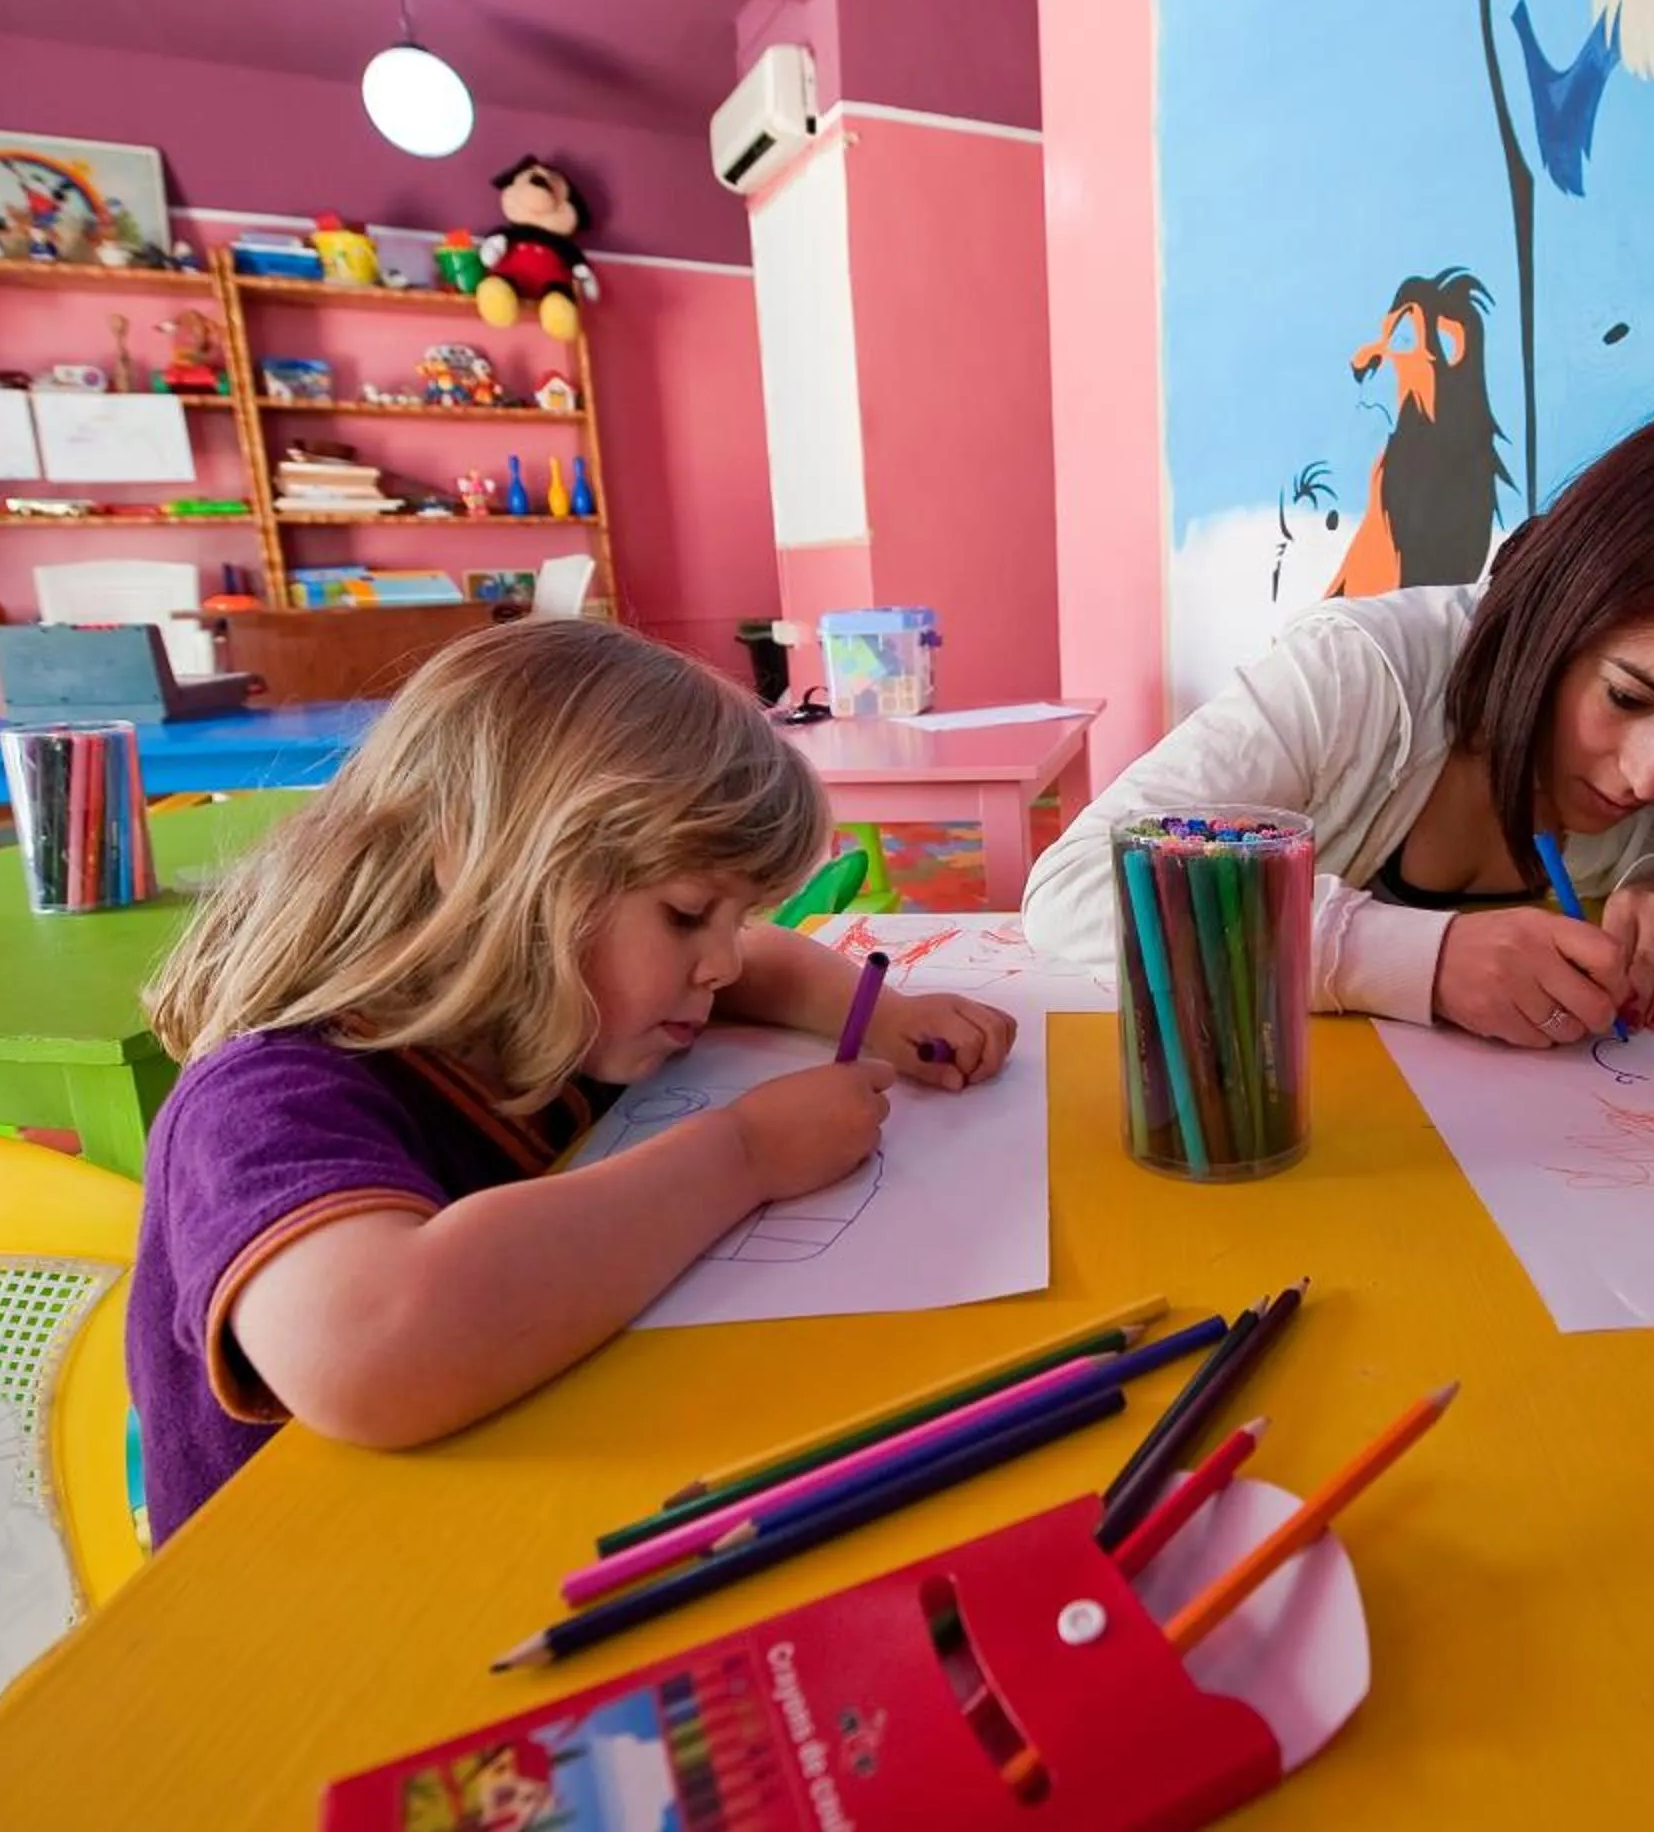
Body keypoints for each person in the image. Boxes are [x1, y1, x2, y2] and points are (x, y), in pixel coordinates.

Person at [128, 621, 1016, 1540]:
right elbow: (371, 1346)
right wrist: (744, 1155)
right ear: (490, 869)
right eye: (685, 915)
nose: (717, 964)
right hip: (301, 1612)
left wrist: (883, 1015)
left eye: (734, 916)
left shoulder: (558, 1001)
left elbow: (755, 963)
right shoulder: (265, 1097)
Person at [1027, 405, 1654, 1045]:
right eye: (1627, 699)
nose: (1651, 775)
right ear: (1553, 619)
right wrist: (1410, 959)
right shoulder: (1364, 676)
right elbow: (1073, 890)